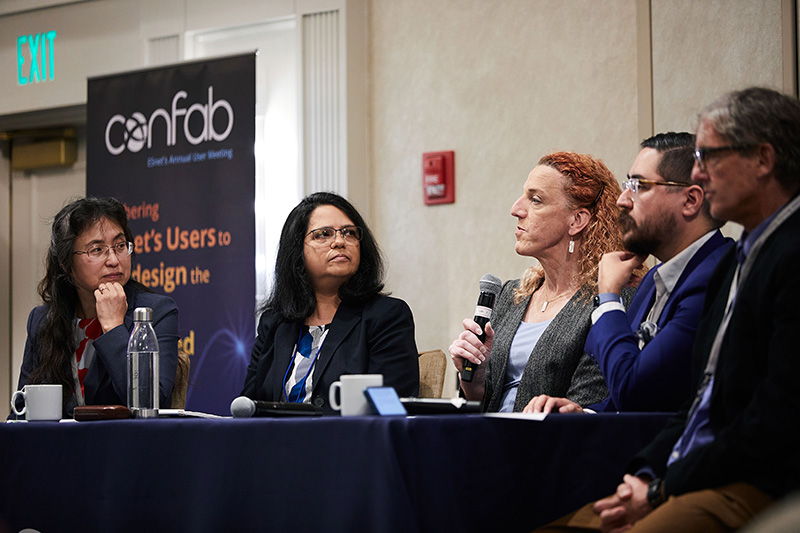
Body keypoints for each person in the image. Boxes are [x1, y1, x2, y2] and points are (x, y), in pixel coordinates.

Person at [537, 87, 800, 532]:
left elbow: (773, 415)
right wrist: (642, 470)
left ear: (762, 159)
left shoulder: (785, 255)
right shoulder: (738, 260)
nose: (699, 172)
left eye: (710, 155)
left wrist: (661, 487)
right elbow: (698, 400)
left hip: (749, 482)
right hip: (683, 469)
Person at [524, 133, 733, 414]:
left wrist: (608, 296)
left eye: (638, 186)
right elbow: (623, 393)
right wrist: (585, 414)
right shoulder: (652, 281)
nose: (622, 200)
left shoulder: (717, 278)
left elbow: (637, 393)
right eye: (627, 185)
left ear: (691, 200)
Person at [448, 152, 634, 412]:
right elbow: (481, 403)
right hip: (487, 441)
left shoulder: (610, 300)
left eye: (535, 200)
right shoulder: (512, 295)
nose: (516, 209)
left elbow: (586, 407)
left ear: (577, 220)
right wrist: (475, 381)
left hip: (551, 446)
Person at [241, 192, 419, 415]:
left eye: (350, 233)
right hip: (275, 445)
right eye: (323, 235)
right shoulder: (275, 323)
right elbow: (247, 406)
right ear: (297, 251)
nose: (339, 241)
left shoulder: (386, 316)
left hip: (352, 445)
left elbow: (391, 408)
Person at [10, 197, 179, 419]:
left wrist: (113, 327)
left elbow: (153, 403)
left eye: (120, 246)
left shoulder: (154, 312)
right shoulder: (42, 321)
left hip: (125, 449)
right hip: (58, 450)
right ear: (66, 263)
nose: (113, 260)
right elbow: (20, 413)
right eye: (97, 249)